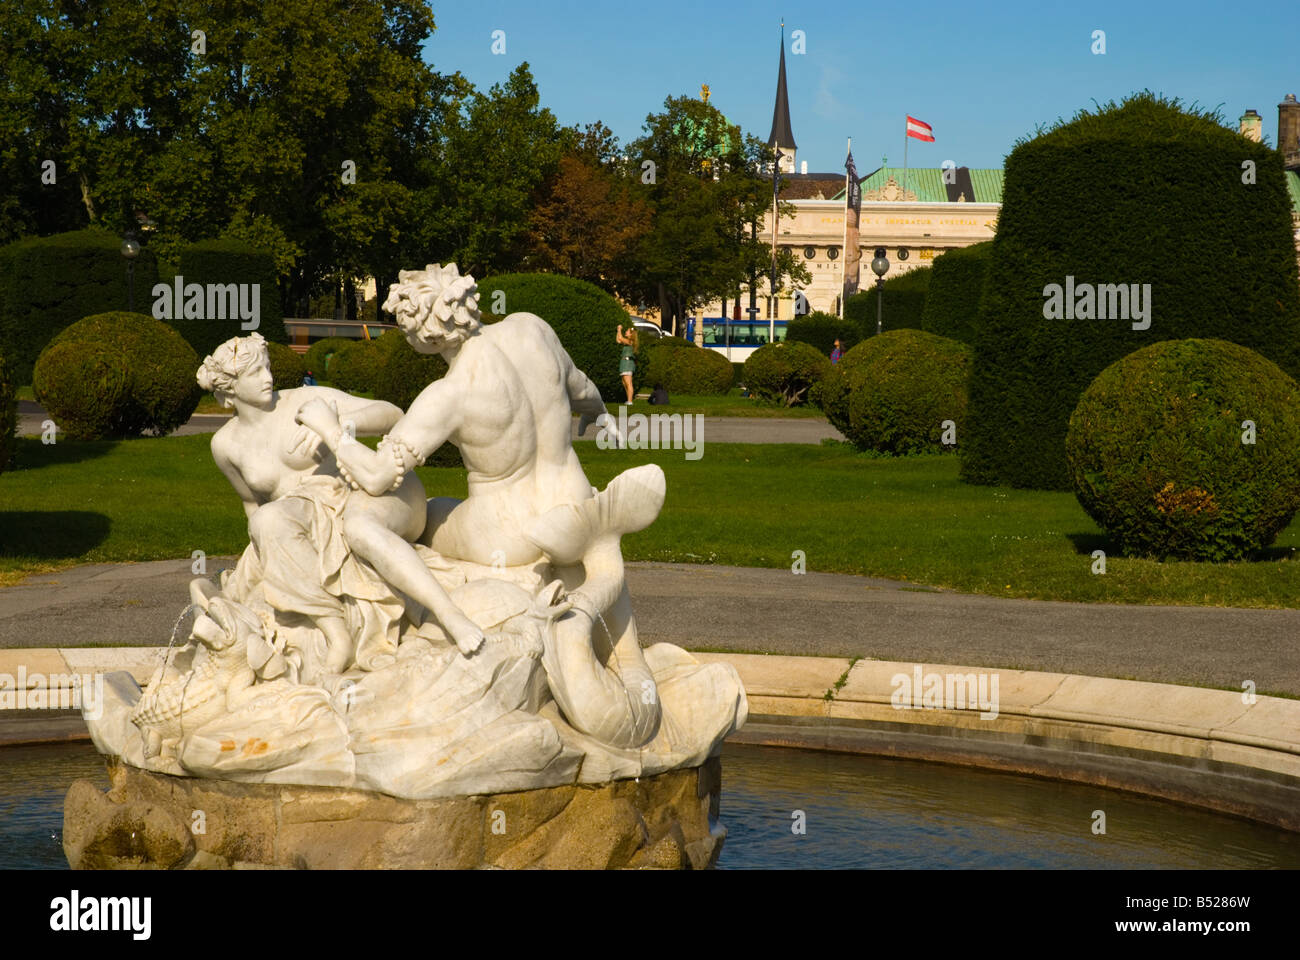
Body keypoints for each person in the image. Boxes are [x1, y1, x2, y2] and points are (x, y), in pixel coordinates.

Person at [198, 332, 483, 674]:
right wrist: (261, 559)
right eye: (255, 373)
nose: (269, 378)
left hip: (366, 494)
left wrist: (340, 424)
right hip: (305, 516)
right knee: (266, 523)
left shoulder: (303, 401)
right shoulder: (225, 445)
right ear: (230, 388)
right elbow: (252, 505)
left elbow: (391, 414)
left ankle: (449, 614)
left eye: (267, 368)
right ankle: (336, 635)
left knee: (358, 527)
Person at [615, 323, 639, 404]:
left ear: (631, 334)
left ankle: (630, 401)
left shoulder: (630, 341)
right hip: (624, 363)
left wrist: (619, 330)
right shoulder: (627, 341)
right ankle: (628, 399)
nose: (626, 332)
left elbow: (620, 338)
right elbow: (618, 340)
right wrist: (618, 331)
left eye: (627, 331)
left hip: (627, 364)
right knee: (624, 383)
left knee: (628, 382)